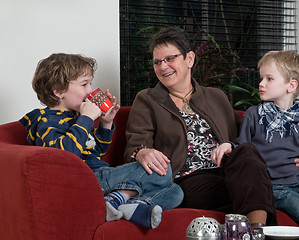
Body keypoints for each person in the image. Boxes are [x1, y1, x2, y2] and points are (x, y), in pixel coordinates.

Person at [125, 26, 299, 225]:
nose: (163, 66)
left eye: (170, 58)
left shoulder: (216, 96)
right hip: (186, 179)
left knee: (246, 153)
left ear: (189, 59)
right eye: (157, 62)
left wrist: (291, 151)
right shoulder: (147, 100)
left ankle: (254, 232)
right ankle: (258, 230)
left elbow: (250, 138)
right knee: (255, 188)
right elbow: (134, 147)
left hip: (229, 170)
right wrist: (142, 152)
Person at [19, 53, 183, 229]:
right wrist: (87, 118)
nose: (90, 91)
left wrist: (106, 123)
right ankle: (121, 198)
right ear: (58, 91)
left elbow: (95, 151)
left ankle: (124, 205)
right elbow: (64, 157)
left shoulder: (76, 116)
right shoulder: (45, 121)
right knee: (162, 170)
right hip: (82, 181)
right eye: (84, 84)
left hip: (101, 174)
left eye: (90, 83)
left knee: (176, 192)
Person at [212, 50, 299, 226]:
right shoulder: (253, 115)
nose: (261, 84)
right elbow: (242, 148)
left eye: (269, 79)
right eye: (261, 78)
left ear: (291, 86)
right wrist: (228, 147)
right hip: (276, 189)